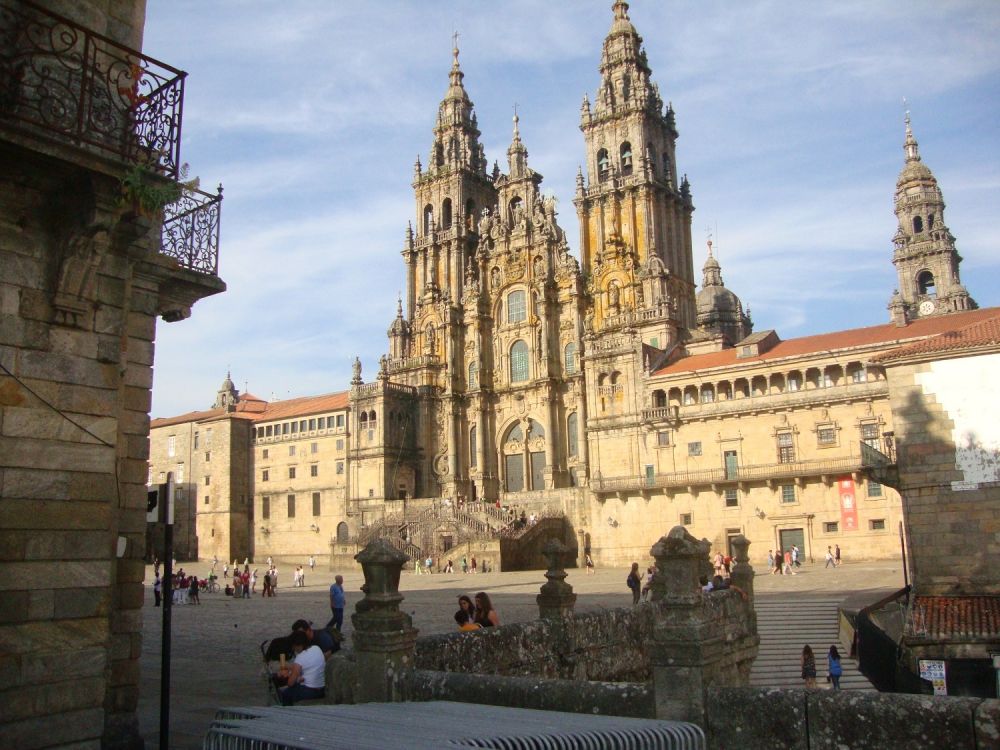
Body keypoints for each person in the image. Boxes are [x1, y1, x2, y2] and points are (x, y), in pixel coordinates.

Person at [278, 630, 326, 705]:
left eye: (293, 646)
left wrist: (291, 676)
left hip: (311, 691)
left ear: (298, 645)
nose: (293, 649)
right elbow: (309, 665)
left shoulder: (300, 657)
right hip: (322, 687)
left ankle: (287, 713)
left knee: (286, 694)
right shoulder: (316, 648)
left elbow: (290, 683)